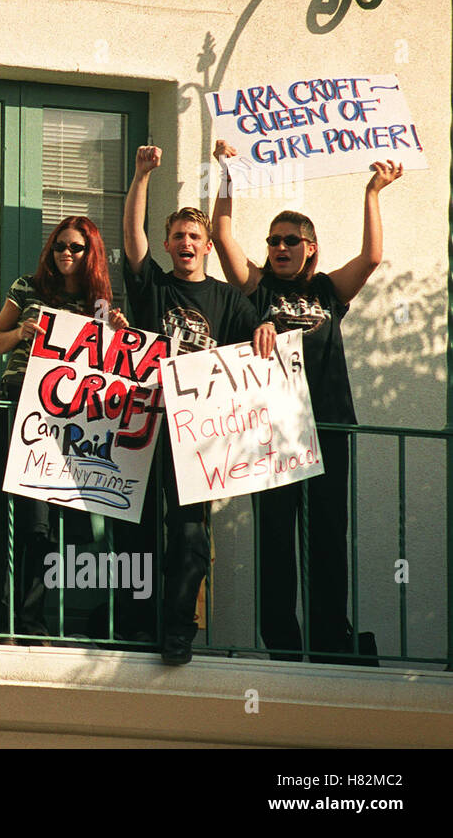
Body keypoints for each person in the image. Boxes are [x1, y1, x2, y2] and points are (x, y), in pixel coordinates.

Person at [211, 140, 401, 663]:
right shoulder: (257, 289)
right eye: (273, 240)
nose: (279, 247)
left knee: (325, 537)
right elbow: (222, 235)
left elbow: (372, 258)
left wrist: (373, 192)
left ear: (310, 247)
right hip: (273, 433)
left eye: (290, 240)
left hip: (328, 427)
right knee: (275, 540)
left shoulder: (326, 291)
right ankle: (284, 644)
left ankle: (329, 640)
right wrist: (226, 173)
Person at [123, 144, 270, 665]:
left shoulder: (228, 300)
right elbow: (132, 242)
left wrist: (266, 325)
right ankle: (136, 626)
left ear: (207, 247)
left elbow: (256, 336)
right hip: (143, 422)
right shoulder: (153, 288)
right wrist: (142, 176)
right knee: (134, 527)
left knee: (188, 533)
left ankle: (178, 631)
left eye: (194, 237)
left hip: (200, 437)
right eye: (178, 236)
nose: (185, 243)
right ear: (167, 243)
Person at [0, 216, 126, 643]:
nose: (66, 252)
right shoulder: (28, 287)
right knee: (5, 518)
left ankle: (30, 621)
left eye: (77, 247)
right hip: (14, 406)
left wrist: (117, 335)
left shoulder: (99, 303)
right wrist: (19, 333)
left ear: (91, 253)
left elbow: (110, 369)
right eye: (60, 245)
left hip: (62, 420)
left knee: (39, 524)